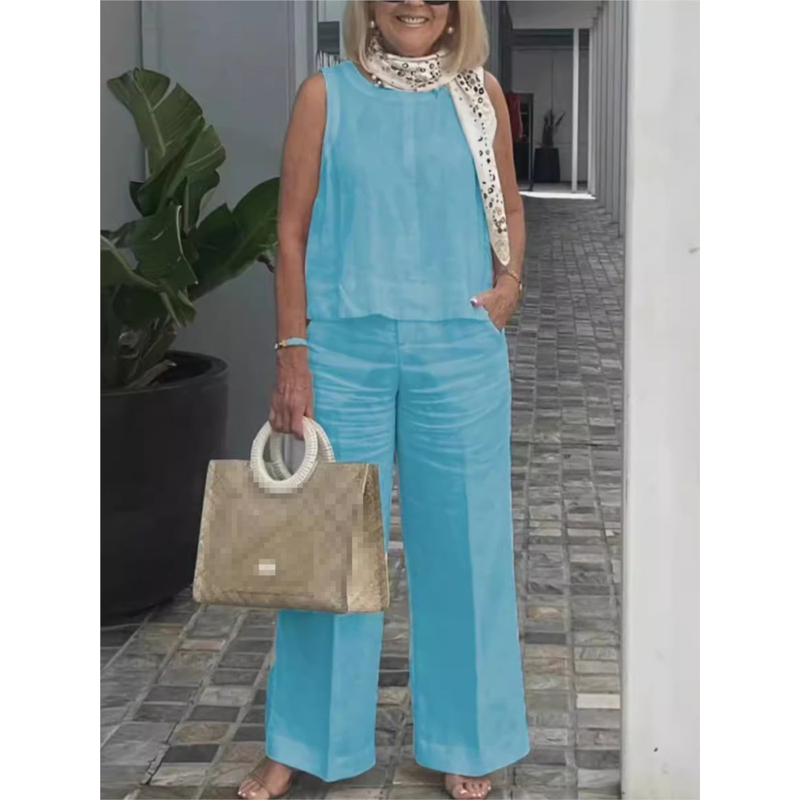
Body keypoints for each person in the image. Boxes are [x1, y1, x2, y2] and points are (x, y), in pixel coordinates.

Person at [239, 2, 528, 798]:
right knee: (330, 552)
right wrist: (292, 352)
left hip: (459, 349)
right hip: (343, 352)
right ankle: (303, 740)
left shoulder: (479, 95)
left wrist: (509, 285)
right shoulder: (324, 95)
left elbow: (508, 205)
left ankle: (467, 740)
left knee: (466, 550)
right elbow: (290, 233)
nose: (414, 2)